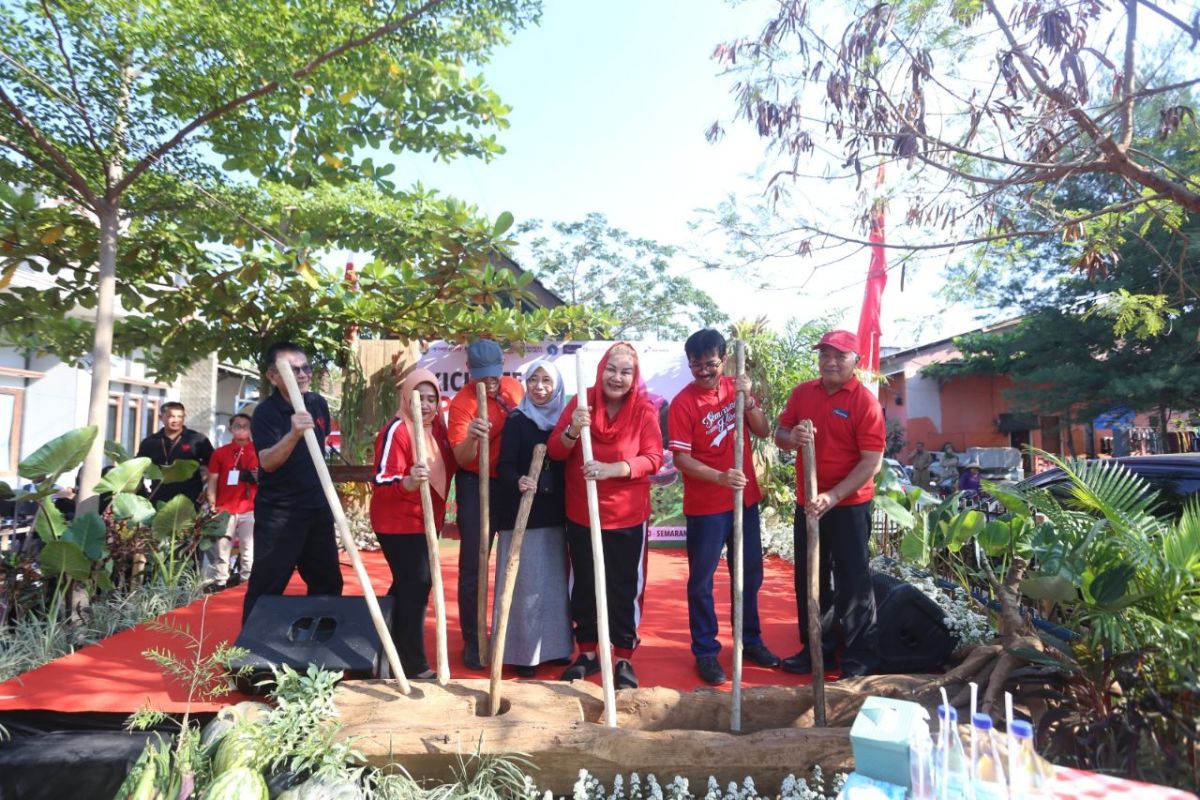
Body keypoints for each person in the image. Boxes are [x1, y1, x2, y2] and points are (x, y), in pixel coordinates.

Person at [668, 329, 781, 686]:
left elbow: (763, 431)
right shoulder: (683, 403)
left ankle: (750, 641)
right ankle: (705, 651)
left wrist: (747, 402)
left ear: (724, 360)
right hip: (706, 506)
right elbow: (682, 459)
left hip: (744, 500)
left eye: (711, 364)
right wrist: (719, 477)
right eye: (696, 365)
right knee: (702, 581)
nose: (704, 371)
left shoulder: (737, 388)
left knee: (748, 574)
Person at [548, 342, 663, 690]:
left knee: (623, 588)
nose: (617, 377)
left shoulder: (644, 410)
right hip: (583, 513)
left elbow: (654, 459)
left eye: (625, 372)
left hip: (627, 516)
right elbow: (555, 450)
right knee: (584, 584)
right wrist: (572, 430)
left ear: (634, 376)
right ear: (601, 370)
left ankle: (623, 656)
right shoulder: (582, 402)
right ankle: (586, 653)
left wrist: (614, 469)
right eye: (612, 369)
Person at [775, 330, 885, 678]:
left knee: (853, 580)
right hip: (808, 504)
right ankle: (815, 649)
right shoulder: (803, 393)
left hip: (849, 504)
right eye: (825, 354)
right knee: (810, 577)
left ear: (856, 362)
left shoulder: (864, 402)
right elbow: (780, 434)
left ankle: (857, 656)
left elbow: (872, 462)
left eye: (839, 355)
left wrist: (833, 496)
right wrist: (792, 438)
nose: (831, 362)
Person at [242, 342, 343, 623]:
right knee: (268, 584)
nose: (302, 374)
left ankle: (321, 649)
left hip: (317, 507)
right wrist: (293, 434)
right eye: (292, 369)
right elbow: (267, 462)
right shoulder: (265, 413)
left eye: (305, 368)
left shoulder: (317, 403)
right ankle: (250, 656)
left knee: (328, 582)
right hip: (281, 512)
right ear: (272, 376)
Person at [369, 368, 455, 681]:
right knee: (416, 584)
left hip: (425, 521)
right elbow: (380, 481)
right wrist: (407, 481)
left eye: (433, 398)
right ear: (407, 397)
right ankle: (412, 664)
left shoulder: (439, 430)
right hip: (397, 521)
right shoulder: (397, 430)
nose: (427, 405)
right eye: (420, 398)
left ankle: (382, 648)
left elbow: (454, 461)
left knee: (409, 586)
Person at [491, 359, 573, 677]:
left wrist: (550, 485)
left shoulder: (565, 423)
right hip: (521, 515)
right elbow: (505, 466)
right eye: (534, 380)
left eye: (546, 381)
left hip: (555, 514)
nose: (539, 387)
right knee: (524, 587)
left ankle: (554, 648)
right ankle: (523, 654)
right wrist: (519, 481)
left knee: (552, 586)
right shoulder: (517, 420)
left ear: (557, 387)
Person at [447, 340, 524, 670]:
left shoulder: (515, 388)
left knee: (517, 558)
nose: (489, 382)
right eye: (482, 377)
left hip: (511, 481)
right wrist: (475, 438)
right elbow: (461, 459)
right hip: (475, 483)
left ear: (502, 365)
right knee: (474, 564)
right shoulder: (462, 404)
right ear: (469, 371)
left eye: (493, 375)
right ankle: (474, 637)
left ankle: (516, 637)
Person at [203, 413, 258, 590]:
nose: (241, 429)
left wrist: (256, 477)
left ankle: (246, 582)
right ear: (230, 429)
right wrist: (212, 504)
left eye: (245, 426)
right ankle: (220, 581)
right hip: (224, 508)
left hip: (250, 507)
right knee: (221, 549)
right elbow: (212, 480)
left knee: (249, 549)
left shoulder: (259, 451)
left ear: (251, 429)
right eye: (237, 426)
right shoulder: (220, 453)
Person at [136, 401, 213, 509]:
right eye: (171, 416)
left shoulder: (197, 439)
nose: (176, 420)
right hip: (159, 498)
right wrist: (142, 493)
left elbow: (214, 467)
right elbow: (138, 469)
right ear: (160, 417)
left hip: (190, 499)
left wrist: (207, 489)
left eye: (180, 416)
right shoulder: (150, 442)